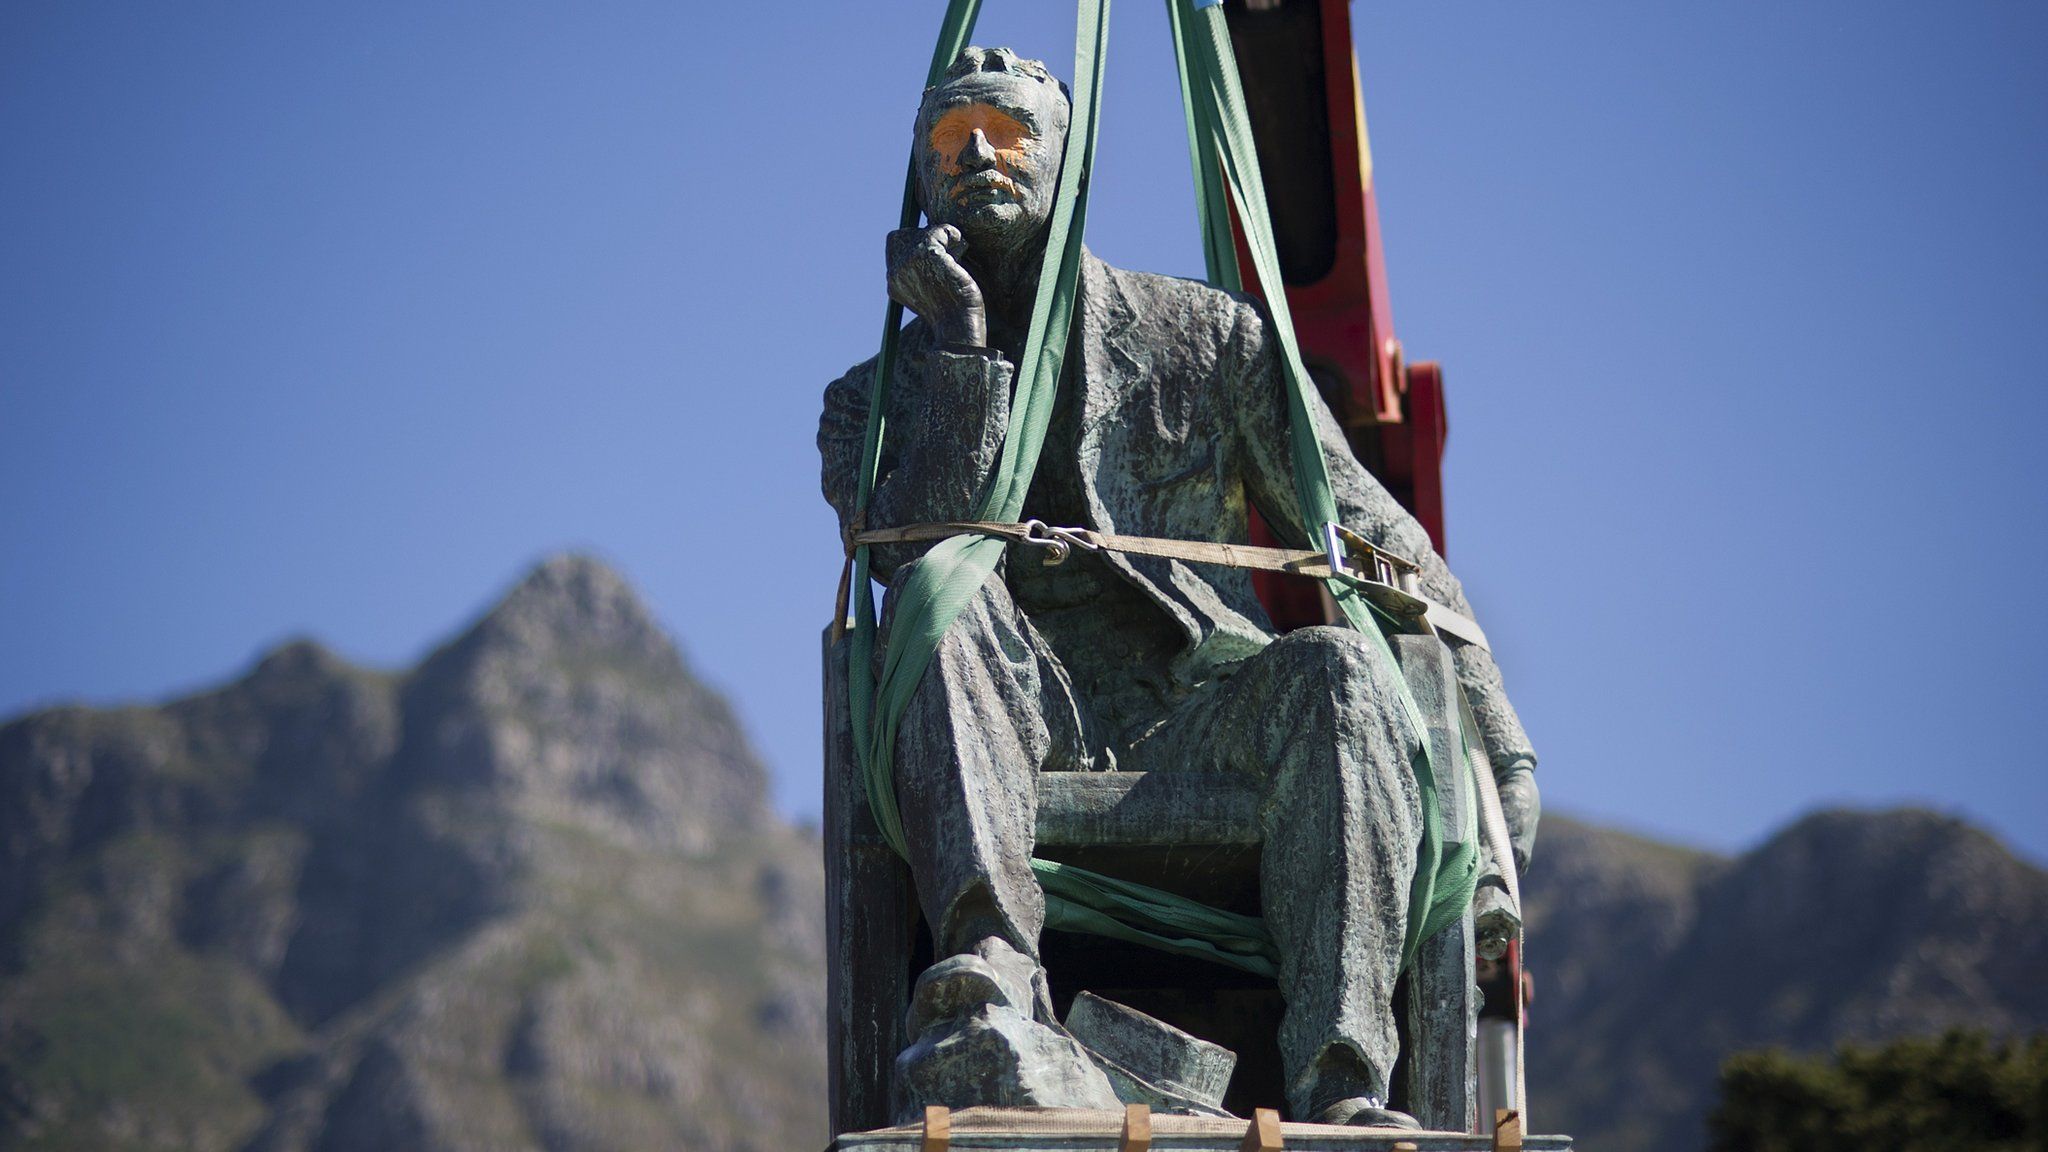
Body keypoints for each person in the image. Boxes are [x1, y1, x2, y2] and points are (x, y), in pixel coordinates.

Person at [818, 46, 1539, 1127]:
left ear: (1064, 161)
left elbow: (1368, 531)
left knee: (1338, 669)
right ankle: (990, 977)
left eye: (1006, 130)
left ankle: (1341, 1087)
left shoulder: (1206, 339)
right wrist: (961, 353)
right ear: (919, 181)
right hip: (1009, 716)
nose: (974, 152)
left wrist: (1498, 737)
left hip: (1203, 711)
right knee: (940, 593)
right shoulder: (867, 406)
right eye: (945, 137)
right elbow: (903, 557)